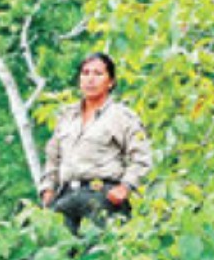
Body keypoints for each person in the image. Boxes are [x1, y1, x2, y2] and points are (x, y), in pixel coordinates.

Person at [38, 52, 152, 233]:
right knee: (54, 254)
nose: (90, 79)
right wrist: (47, 190)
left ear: (111, 81)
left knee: (98, 255)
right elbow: (53, 156)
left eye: (98, 74)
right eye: (85, 73)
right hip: (66, 197)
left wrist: (126, 187)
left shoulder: (121, 116)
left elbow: (142, 157)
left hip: (101, 196)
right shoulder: (67, 116)